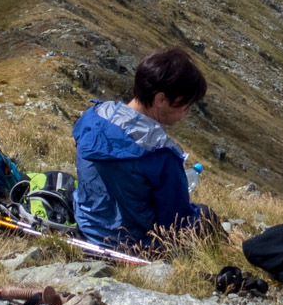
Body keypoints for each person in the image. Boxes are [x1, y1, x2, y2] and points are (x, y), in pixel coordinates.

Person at [73, 47, 216, 251]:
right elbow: (175, 225)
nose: (188, 110)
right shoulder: (161, 155)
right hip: (133, 245)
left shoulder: (92, 118)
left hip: (88, 226)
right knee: (206, 215)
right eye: (185, 104)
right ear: (160, 99)